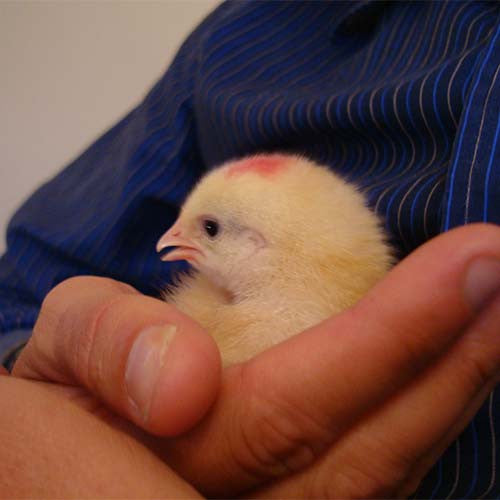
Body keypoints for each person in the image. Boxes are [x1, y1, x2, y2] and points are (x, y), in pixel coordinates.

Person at [1, 1, 499, 497]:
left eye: (209, 229)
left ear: (262, 246)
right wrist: (39, 405)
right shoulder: (241, 39)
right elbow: (23, 287)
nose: (171, 239)